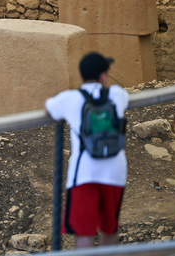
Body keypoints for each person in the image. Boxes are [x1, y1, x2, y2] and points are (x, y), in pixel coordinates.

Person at [45, 52, 129, 248]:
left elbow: (49, 108)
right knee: (110, 229)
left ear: (81, 76)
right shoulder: (117, 94)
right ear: (103, 75)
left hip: (84, 174)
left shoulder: (70, 99)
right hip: (115, 173)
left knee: (85, 233)